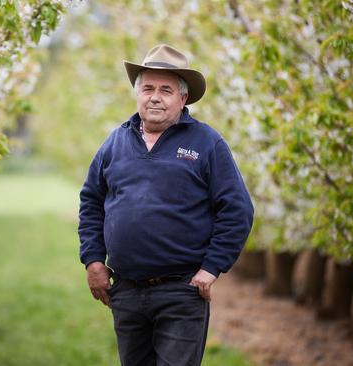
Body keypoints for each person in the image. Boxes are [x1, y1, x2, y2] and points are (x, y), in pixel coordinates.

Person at [78, 44, 254, 366]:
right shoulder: (115, 143)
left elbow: (237, 209)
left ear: (183, 98)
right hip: (127, 291)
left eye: (165, 90)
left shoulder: (206, 143)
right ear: (137, 94)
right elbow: (91, 200)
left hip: (181, 291)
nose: (155, 97)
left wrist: (211, 267)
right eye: (147, 88)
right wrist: (93, 260)